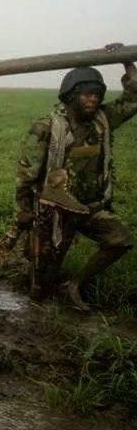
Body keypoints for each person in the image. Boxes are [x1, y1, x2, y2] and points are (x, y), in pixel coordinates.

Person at [14, 52, 137, 309]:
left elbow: (134, 96)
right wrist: (24, 211)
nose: (93, 99)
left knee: (119, 240)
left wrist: (127, 61)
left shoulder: (103, 119)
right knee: (39, 290)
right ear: (70, 95)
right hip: (55, 212)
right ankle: (39, 274)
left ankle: (74, 285)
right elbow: (26, 175)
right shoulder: (47, 127)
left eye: (97, 94)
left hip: (91, 207)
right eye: (86, 93)